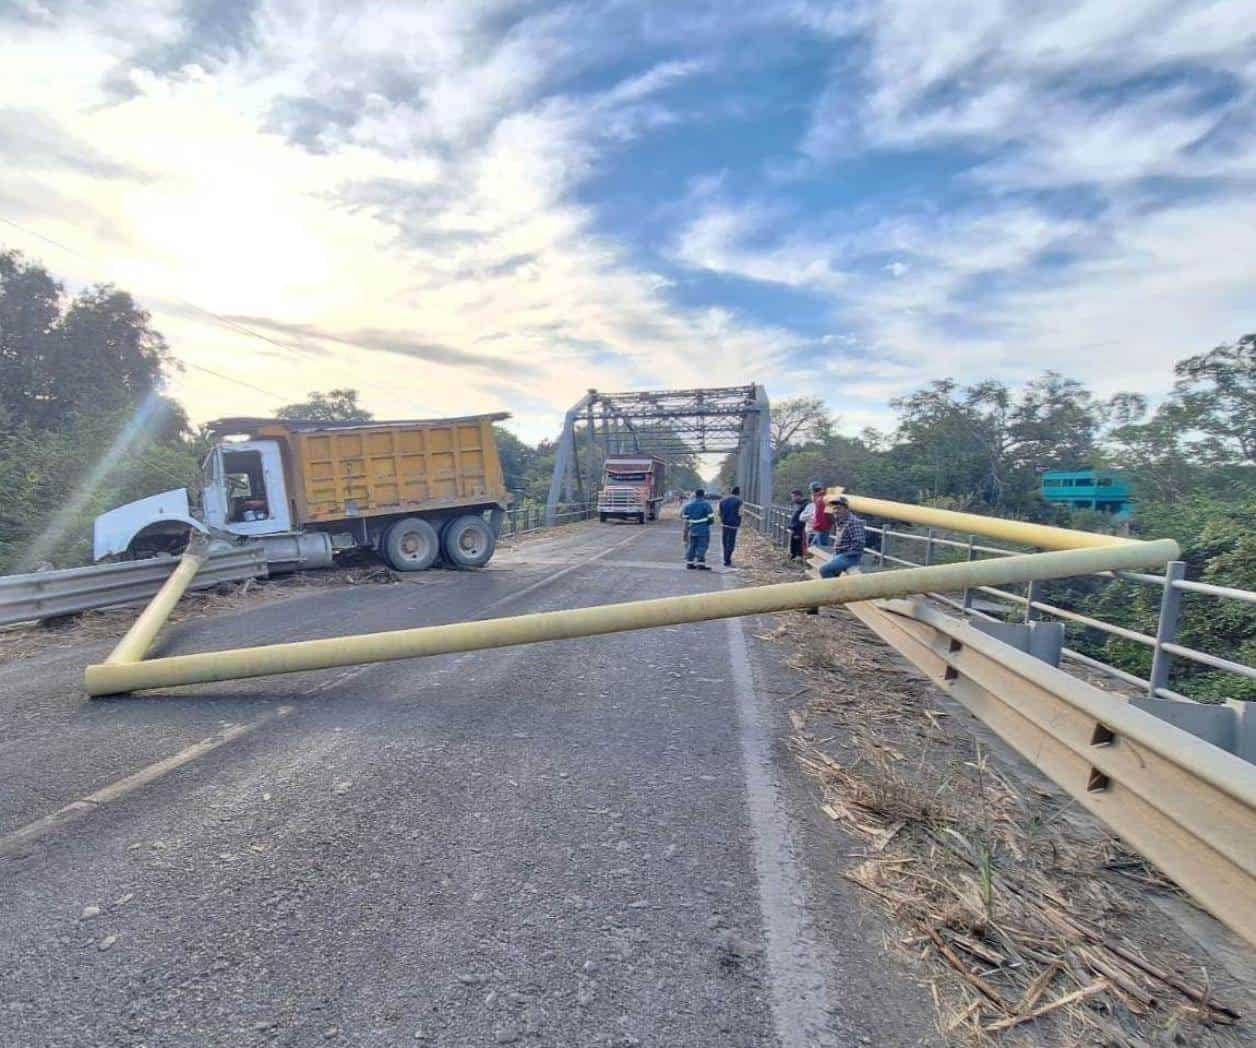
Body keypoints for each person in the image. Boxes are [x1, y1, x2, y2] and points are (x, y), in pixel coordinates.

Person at [819, 497, 866, 578]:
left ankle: (833, 590)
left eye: (839, 508)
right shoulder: (840, 520)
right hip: (840, 554)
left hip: (850, 557)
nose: (836, 511)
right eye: (834, 508)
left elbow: (859, 542)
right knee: (831, 570)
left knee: (824, 570)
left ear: (846, 509)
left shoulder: (854, 522)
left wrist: (844, 555)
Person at [681, 488, 716, 570]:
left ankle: (690, 563)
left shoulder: (689, 505)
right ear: (703, 495)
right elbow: (711, 518)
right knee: (702, 546)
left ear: (695, 495)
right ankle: (701, 564)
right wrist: (706, 524)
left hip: (692, 528)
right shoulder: (706, 505)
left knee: (692, 546)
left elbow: (686, 518)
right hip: (703, 529)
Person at [719, 486, 743, 567]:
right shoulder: (739, 502)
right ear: (738, 493)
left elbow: (719, 513)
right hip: (734, 525)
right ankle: (728, 559)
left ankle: (725, 559)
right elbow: (740, 513)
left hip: (724, 524)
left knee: (725, 542)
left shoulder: (723, 501)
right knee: (731, 542)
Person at [809, 481, 834, 547]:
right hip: (821, 527)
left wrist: (832, 522)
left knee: (822, 548)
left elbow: (828, 513)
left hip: (823, 527)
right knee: (813, 546)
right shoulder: (821, 498)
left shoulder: (823, 498)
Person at [787, 489, 808, 560]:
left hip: (799, 529)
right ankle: (793, 557)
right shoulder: (797, 504)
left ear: (798, 496)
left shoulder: (805, 505)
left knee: (798, 544)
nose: (792, 499)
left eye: (793, 497)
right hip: (794, 528)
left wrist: (797, 530)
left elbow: (802, 519)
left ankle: (798, 558)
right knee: (793, 544)